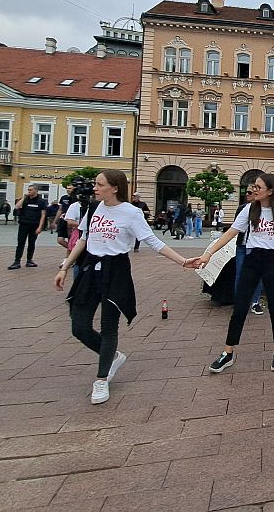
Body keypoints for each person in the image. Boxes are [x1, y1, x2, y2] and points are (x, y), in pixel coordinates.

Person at [53, 169, 196, 405]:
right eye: (95, 185)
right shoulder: (93, 208)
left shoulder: (131, 213)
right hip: (90, 267)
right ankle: (112, 356)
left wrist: (182, 261)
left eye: (100, 185)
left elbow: (152, 240)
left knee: (109, 326)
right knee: (79, 326)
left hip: (116, 269)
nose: (95, 189)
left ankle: (101, 380)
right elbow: (84, 238)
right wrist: (65, 267)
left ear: (115, 188)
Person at [196, 173, 274, 374]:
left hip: (273, 261)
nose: (254, 190)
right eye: (254, 187)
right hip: (252, 260)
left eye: (258, 187)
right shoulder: (249, 209)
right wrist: (208, 254)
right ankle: (228, 352)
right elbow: (230, 234)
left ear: (270, 191)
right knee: (240, 307)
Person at [8, 185, 48, 270]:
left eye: (31, 190)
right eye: (28, 190)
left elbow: (43, 215)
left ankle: (29, 260)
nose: (29, 191)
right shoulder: (25, 200)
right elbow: (17, 207)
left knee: (31, 243)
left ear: (36, 191)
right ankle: (17, 261)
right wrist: (23, 198)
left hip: (34, 225)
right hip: (24, 224)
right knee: (20, 243)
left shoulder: (41, 202)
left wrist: (40, 227)